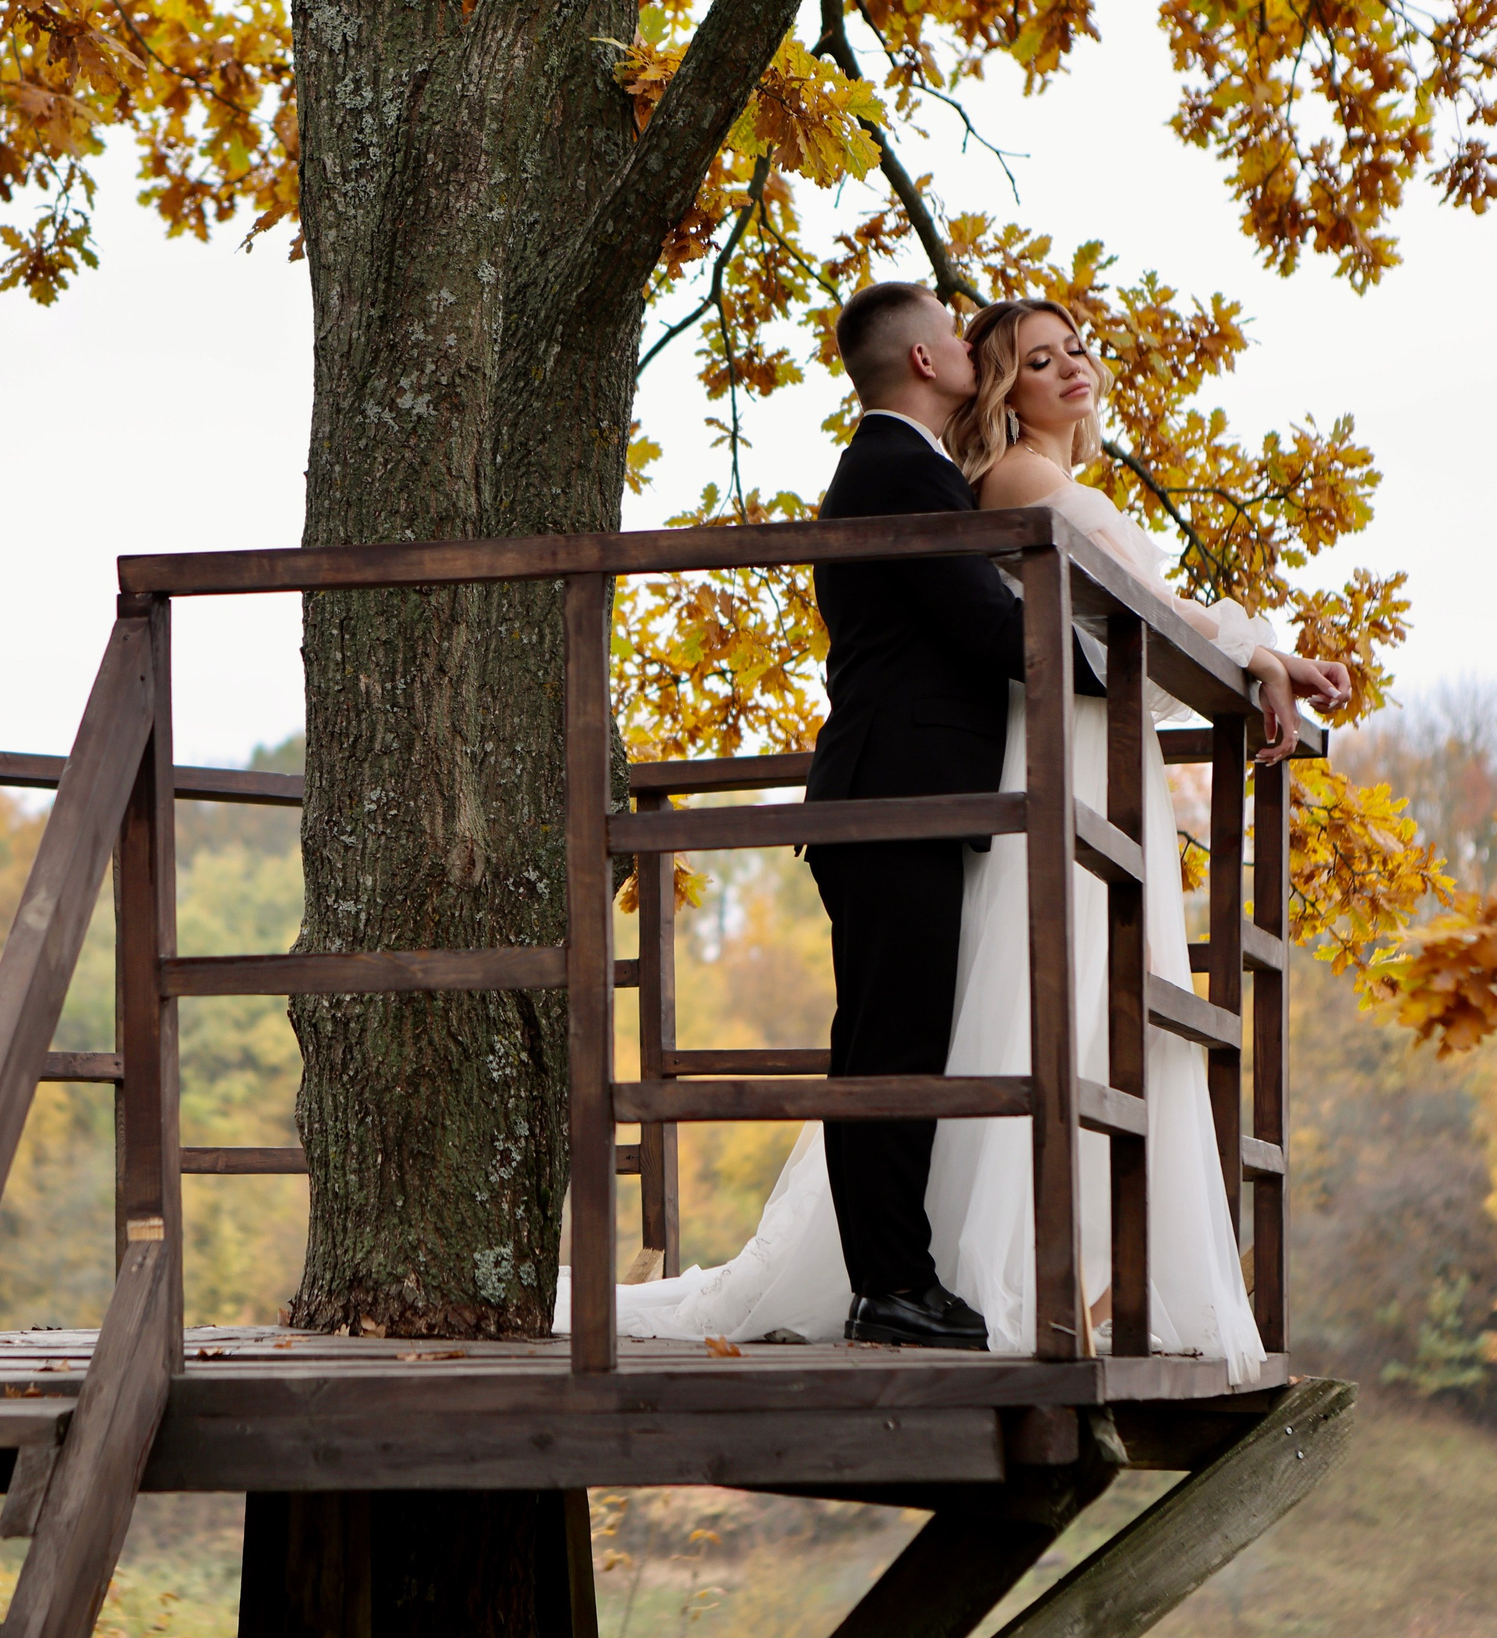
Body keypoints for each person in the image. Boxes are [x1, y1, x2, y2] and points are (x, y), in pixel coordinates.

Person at [562, 291, 1346, 1379]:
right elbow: (995, 634)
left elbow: (1017, 627)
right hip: (893, 795)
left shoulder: (913, 468)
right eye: (1015, 352)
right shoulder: (894, 471)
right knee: (889, 1052)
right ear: (931, 356)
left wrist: (1207, 660)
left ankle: (904, 1279)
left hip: (916, 795)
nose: (1044, 366)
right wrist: (1142, 680)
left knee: (903, 1044)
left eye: (1070, 352)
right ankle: (893, 1286)